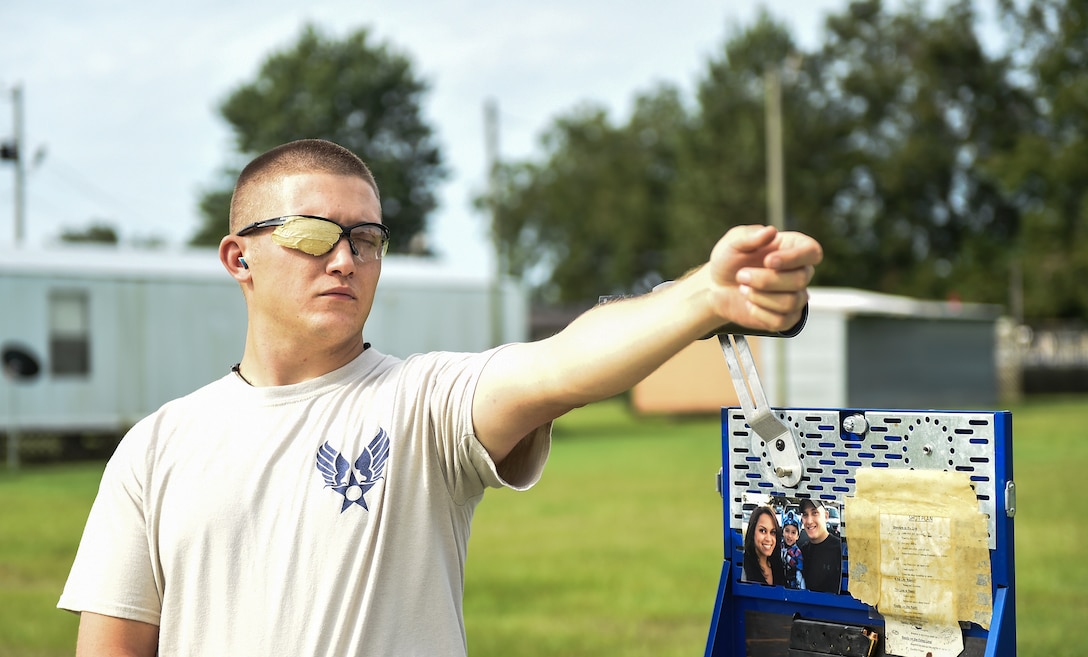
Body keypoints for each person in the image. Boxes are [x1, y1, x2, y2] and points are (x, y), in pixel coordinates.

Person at [57, 138, 822, 656]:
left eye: (367, 236)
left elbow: (561, 365)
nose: (346, 259)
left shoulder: (421, 402)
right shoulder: (158, 445)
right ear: (239, 256)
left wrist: (704, 297)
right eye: (314, 233)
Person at [799, 498, 843, 593]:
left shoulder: (841, 551)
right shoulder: (801, 552)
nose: (809, 521)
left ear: (826, 516)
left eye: (815, 513)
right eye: (805, 515)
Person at [742, 506, 786, 586]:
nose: (768, 539)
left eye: (772, 532)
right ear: (752, 532)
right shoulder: (742, 567)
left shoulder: (778, 566)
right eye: (762, 531)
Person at [781, 513, 805, 590]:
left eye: (793, 532)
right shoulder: (778, 547)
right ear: (783, 532)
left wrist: (800, 588)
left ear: (798, 536)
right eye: (787, 531)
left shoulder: (797, 553)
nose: (789, 535)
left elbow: (799, 572)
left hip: (793, 585)